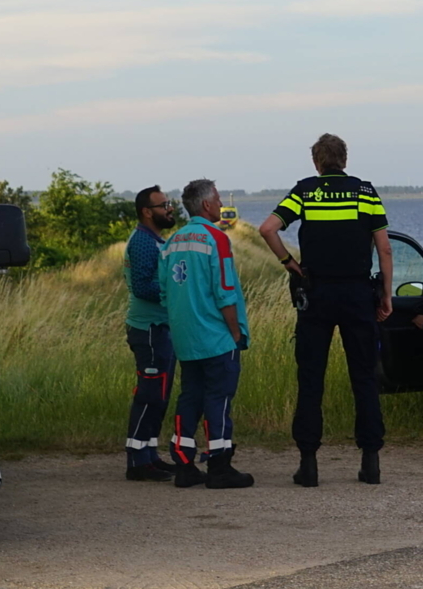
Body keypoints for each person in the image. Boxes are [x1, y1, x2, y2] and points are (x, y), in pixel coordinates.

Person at [259, 133, 393, 487]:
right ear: (344, 160)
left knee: (310, 379)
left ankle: (308, 465)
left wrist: (289, 263)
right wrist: (386, 295)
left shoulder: (305, 191)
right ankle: (371, 463)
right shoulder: (365, 192)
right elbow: (384, 249)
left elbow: (268, 229)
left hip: (316, 293)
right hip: (357, 294)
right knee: (364, 377)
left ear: (316, 162)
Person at [159, 179, 253, 489]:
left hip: (185, 337)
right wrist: (235, 332)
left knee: (190, 397)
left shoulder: (172, 242)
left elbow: (164, 292)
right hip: (216, 336)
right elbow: (225, 291)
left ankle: (184, 464)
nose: (221, 204)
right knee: (219, 399)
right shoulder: (216, 239)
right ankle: (219, 465)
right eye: (218, 198)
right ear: (207, 204)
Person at [123, 186, 178, 481]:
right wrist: (178, 291)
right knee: (149, 394)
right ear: (146, 212)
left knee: (160, 396)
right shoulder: (144, 242)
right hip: (149, 330)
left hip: (159, 328)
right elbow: (144, 287)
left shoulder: (155, 240)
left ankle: (150, 455)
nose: (170, 209)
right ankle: (137, 461)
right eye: (163, 205)